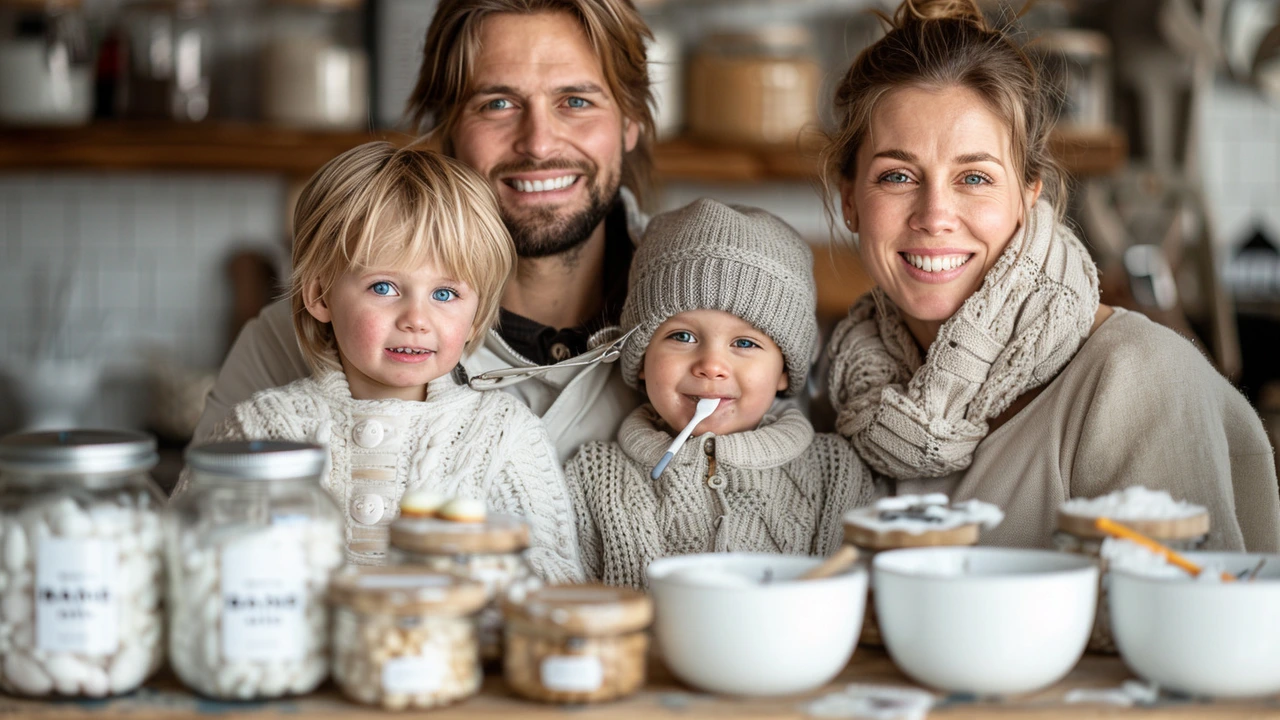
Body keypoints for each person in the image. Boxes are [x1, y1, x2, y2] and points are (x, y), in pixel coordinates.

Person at [823, 0, 1279, 551]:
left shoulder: (1139, 379)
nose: (935, 214)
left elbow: (1191, 627)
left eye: (974, 177)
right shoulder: (847, 397)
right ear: (850, 200)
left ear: (1029, 194)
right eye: (897, 175)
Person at [192, 0, 656, 461]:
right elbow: (210, 523)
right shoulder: (298, 339)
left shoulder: (709, 326)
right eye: (497, 103)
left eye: (576, 101)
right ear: (446, 128)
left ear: (630, 120)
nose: (537, 143)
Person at [174, 143, 584, 582]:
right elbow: (181, 556)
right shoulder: (260, 429)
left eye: (445, 294)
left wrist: (478, 572)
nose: (416, 319)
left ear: (475, 317)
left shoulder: (505, 436)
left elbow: (557, 580)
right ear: (320, 295)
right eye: (384, 288)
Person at [566, 199, 877, 588]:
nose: (712, 365)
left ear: (784, 370)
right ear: (642, 358)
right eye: (682, 336)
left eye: (745, 343)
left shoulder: (836, 474)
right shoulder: (594, 478)